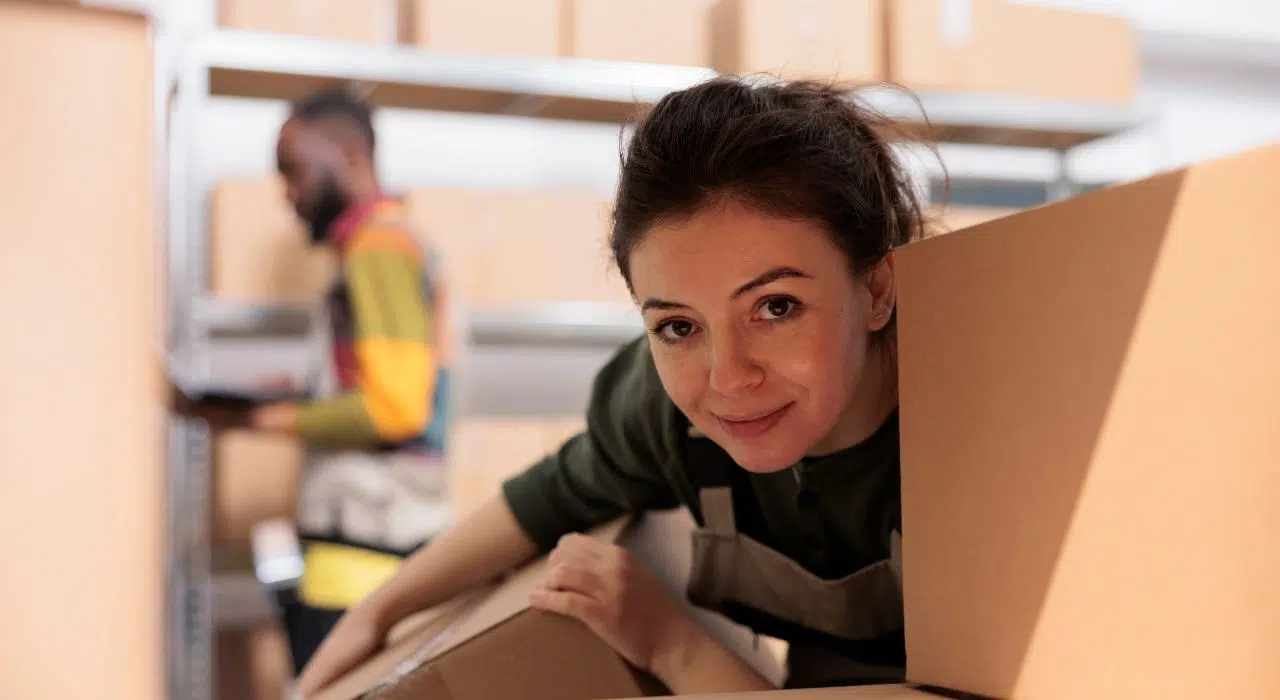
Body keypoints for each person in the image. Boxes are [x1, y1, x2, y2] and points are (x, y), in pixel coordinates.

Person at [296, 76, 924, 696]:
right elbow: (548, 499)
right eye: (678, 326)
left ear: (876, 290)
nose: (728, 377)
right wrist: (375, 614)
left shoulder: (963, 423)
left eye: (776, 307)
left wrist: (672, 646)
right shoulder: (661, 409)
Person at [194, 88, 457, 672]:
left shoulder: (379, 248)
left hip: (367, 549)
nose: (287, 193)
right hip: (379, 544)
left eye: (295, 169)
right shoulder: (388, 245)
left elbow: (395, 408)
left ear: (350, 154)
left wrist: (257, 418)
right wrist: (295, 391)